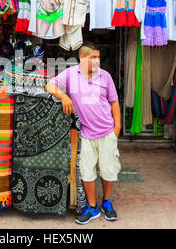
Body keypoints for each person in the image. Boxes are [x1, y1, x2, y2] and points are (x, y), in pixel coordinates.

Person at [45, 42, 121, 224]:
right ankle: (92, 207)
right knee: (87, 173)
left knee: (108, 170)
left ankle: (107, 202)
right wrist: (64, 96)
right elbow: (49, 85)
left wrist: (117, 128)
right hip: (87, 133)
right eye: (92, 58)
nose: (96, 61)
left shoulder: (105, 76)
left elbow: (114, 103)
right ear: (82, 58)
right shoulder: (71, 74)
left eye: (98, 58)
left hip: (107, 132)